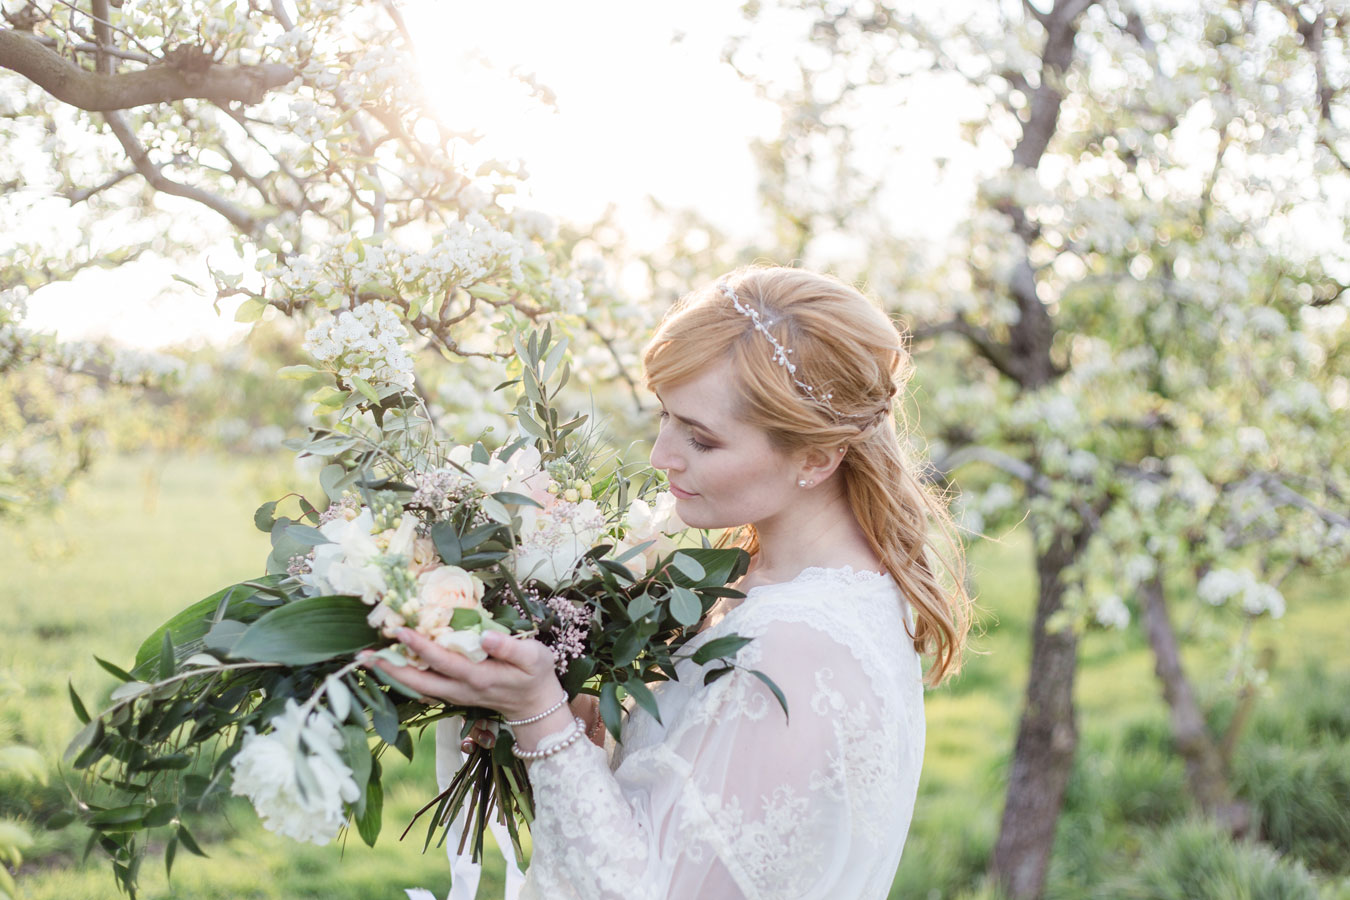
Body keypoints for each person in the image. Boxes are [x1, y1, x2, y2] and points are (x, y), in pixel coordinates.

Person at [369, 264, 973, 899]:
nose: (661, 456)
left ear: (817, 458)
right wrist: (573, 729)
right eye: (666, 416)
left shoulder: (798, 645)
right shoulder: (770, 582)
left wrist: (538, 712)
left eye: (702, 440)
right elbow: (691, 810)